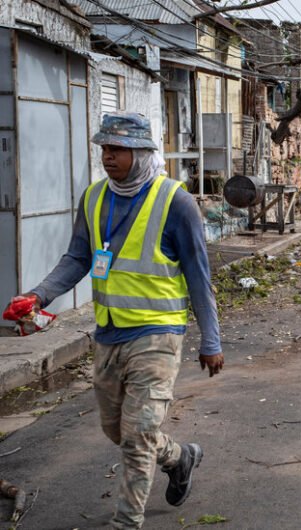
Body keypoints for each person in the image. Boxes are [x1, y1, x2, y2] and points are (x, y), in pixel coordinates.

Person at [3, 112, 223, 529]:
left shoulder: (176, 202)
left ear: (142, 154)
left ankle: (126, 522)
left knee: (137, 435)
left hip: (158, 337)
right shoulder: (94, 198)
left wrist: (210, 340)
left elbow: (199, 275)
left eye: (117, 149)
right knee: (118, 431)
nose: (107, 156)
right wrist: (37, 295)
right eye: (104, 148)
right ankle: (180, 457)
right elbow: (78, 258)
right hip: (108, 335)